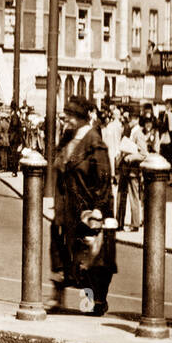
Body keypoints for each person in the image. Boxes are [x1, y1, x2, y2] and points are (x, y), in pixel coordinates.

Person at [51, 96, 117, 316]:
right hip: (68, 208)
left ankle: (94, 302)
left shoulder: (93, 141)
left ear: (80, 118)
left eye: (68, 116)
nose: (64, 119)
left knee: (91, 258)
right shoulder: (68, 137)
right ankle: (60, 298)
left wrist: (99, 208)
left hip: (87, 208)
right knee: (68, 255)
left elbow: (104, 177)